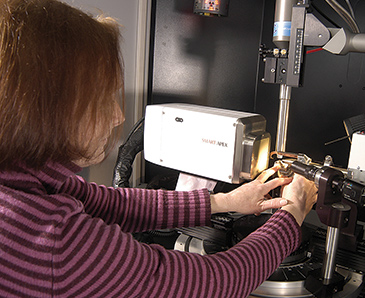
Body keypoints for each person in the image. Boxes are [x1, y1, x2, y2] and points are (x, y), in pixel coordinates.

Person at [0, 0, 318, 297]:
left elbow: (112, 204)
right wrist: (291, 214)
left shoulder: (26, 179)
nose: (118, 116)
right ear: (47, 109)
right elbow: (214, 281)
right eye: (102, 100)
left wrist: (226, 201)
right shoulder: (52, 243)